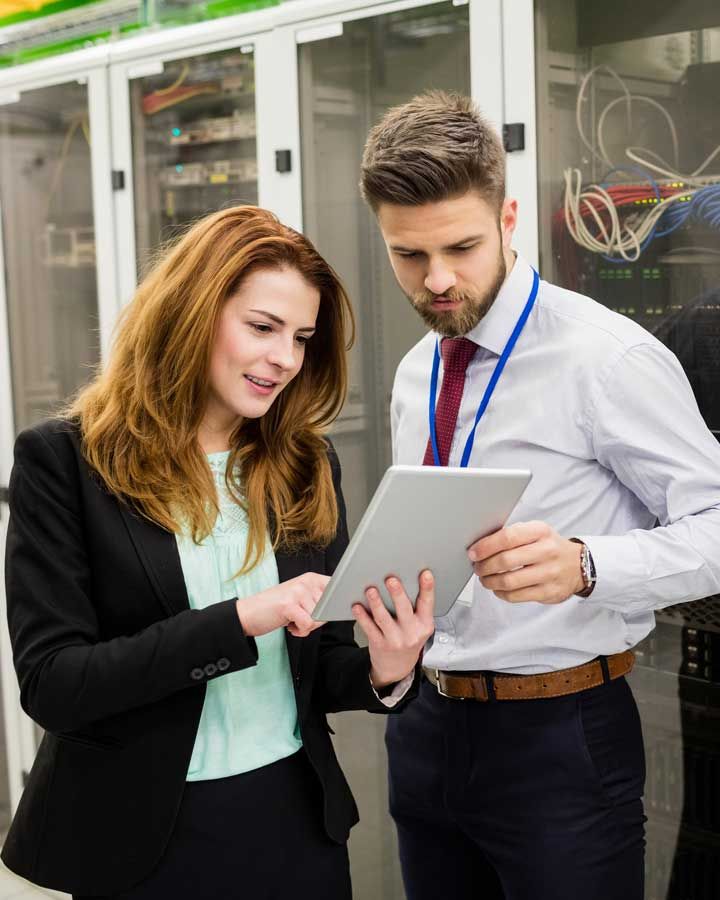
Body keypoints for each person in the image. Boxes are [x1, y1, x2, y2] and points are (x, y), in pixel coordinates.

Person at [1, 205, 434, 899]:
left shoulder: (306, 463)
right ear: (190, 312)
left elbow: (317, 667)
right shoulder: (64, 462)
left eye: (301, 338)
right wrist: (239, 619)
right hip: (138, 838)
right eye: (261, 328)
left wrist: (387, 668)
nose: (284, 359)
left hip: (294, 821)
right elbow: (55, 683)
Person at [359, 90, 720, 900]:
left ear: (509, 217)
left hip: (559, 738)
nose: (438, 279)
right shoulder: (418, 370)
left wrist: (589, 565)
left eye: (460, 246)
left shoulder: (606, 358)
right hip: (425, 725)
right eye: (408, 256)